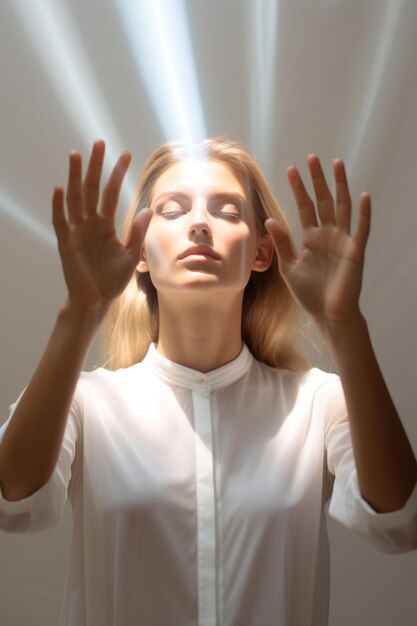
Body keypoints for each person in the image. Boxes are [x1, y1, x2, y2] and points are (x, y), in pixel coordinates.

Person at [0, 137, 416, 626]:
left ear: (263, 252)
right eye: (172, 210)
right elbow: (12, 499)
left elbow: (400, 520)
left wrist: (343, 323)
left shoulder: (318, 403)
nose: (199, 223)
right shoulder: (87, 403)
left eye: (228, 212)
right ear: (139, 250)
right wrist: (81, 312)